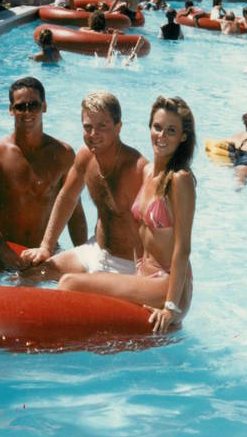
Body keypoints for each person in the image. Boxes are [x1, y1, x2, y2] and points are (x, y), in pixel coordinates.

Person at [58, 96, 197, 335]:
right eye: (157, 127)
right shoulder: (150, 172)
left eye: (171, 130)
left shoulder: (179, 179)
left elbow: (183, 247)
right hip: (143, 275)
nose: (161, 136)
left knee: (69, 284)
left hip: (167, 285)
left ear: (183, 136)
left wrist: (171, 307)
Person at [19, 91, 147, 277]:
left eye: (102, 126)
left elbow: (156, 229)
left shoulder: (137, 169)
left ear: (118, 127)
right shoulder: (85, 157)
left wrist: (147, 278)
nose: (93, 134)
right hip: (94, 250)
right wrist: (46, 247)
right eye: (88, 127)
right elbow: (67, 197)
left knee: (70, 284)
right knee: (29, 275)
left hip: (128, 265)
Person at [0, 77, 86, 269]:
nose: (27, 112)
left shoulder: (63, 154)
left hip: (45, 254)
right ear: (11, 109)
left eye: (33, 105)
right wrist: (2, 249)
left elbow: (75, 213)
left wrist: (84, 259)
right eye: (20, 107)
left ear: (44, 106)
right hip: (6, 251)